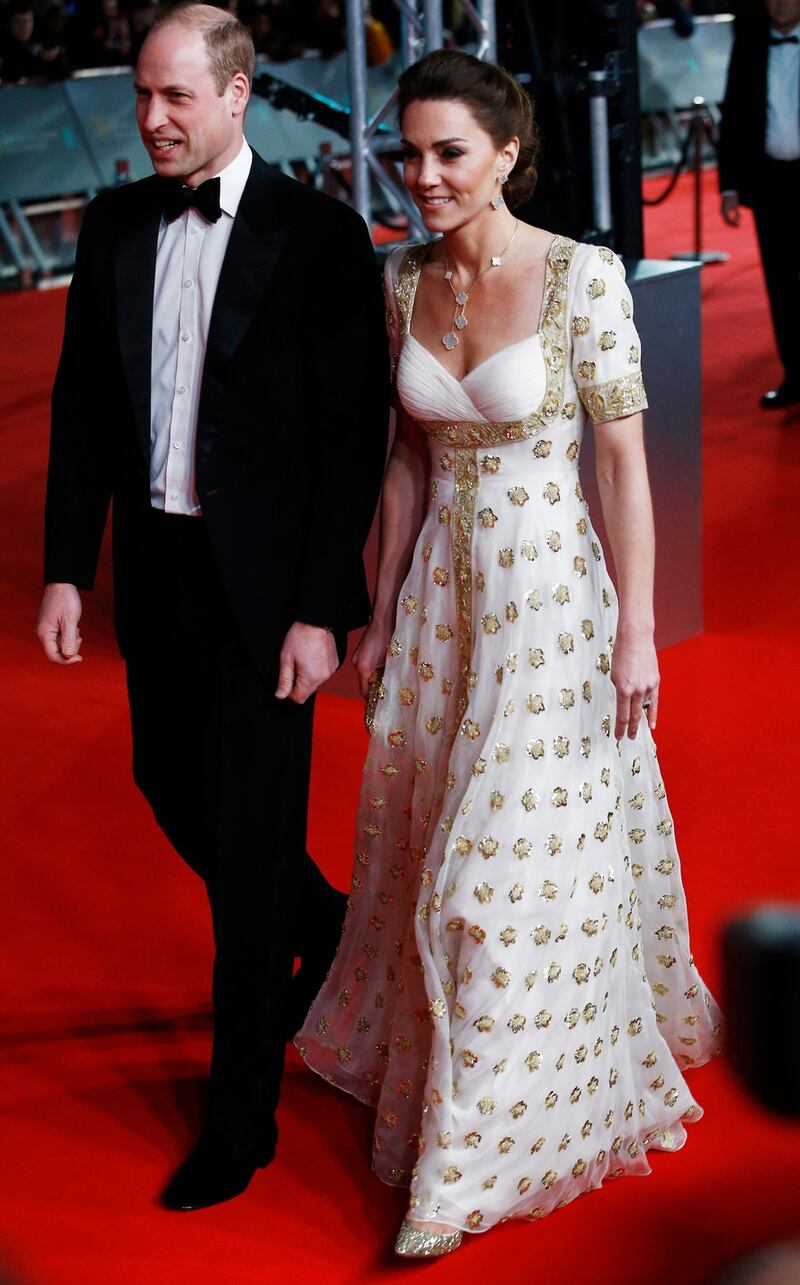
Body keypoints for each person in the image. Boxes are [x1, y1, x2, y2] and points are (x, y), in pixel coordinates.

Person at [297, 48, 723, 1257]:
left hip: (548, 600)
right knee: (427, 841)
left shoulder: (582, 278)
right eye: (410, 153)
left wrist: (635, 631)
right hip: (440, 603)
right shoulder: (401, 282)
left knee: (494, 872)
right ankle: (453, 1087)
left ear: (504, 156)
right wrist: (377, 611)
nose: (422, 176)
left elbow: (622, 467)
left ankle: (478, 1153)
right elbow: (403, 458)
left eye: (447, 154)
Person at [37, 2, 388, 1212]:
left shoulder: (319, 234)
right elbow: (85, 405)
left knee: (243, 858)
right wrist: (67, 567)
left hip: (266, 590)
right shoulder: (118, 224)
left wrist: (316, 608)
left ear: (238, 95)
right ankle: (332, 921)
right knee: (163, 781)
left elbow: (350, 441)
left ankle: (241, 1115)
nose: (150, 119)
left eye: (176, 96)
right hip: (160, 570)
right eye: (142, 94)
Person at [719, 0, 800, 410]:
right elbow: (734, 108)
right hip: (771, 181)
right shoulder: (750, 38)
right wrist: (729, 184)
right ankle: (794, 375)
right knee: (781, 282)